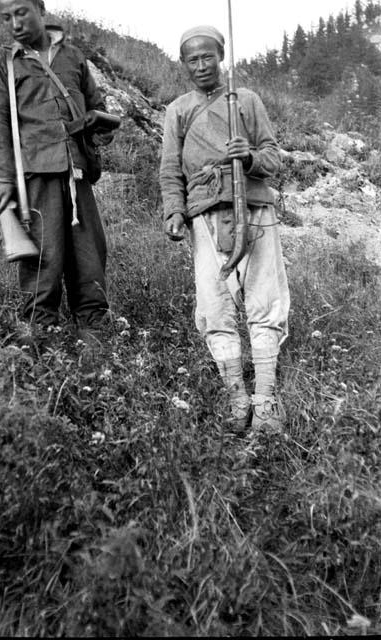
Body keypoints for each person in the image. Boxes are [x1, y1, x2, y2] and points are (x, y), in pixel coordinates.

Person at [159, 26, 290, 433]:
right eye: (192, 59)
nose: (201, 66)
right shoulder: (177, 110)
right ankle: (236, 397)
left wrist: (248, 157)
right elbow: (170, 171)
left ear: (221, 56)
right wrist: (174, 212)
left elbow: (273, 157)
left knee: (264, 300)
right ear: (184, 64)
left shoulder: (246, 101)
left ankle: (265, 399)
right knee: (215, 307)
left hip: (254, 210)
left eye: (208, 57)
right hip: (205, 215)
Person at [0, 0, 114, 346]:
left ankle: (96, 362)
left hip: (78, 175)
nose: (15, 23)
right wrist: (6, 180)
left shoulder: (73, 57)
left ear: (40, 9)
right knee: (44, 267)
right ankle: (40, 362)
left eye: (21, 12)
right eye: (6, 17)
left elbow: (96, 107)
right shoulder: (1, 63)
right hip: (35, 179)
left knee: (90, 267)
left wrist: (101, 128)